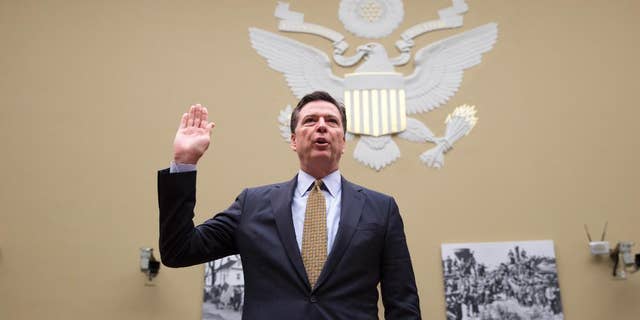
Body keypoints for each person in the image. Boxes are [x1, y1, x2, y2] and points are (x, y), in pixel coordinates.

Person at [158, 91, 421, 319]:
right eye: (310, 121)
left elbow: (402, 304)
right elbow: (178, 250)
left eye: (331, 121)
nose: (321, 126)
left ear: (343, 142)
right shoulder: (252, 204)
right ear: (294, 141)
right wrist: (184, 163)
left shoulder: (381, 209)